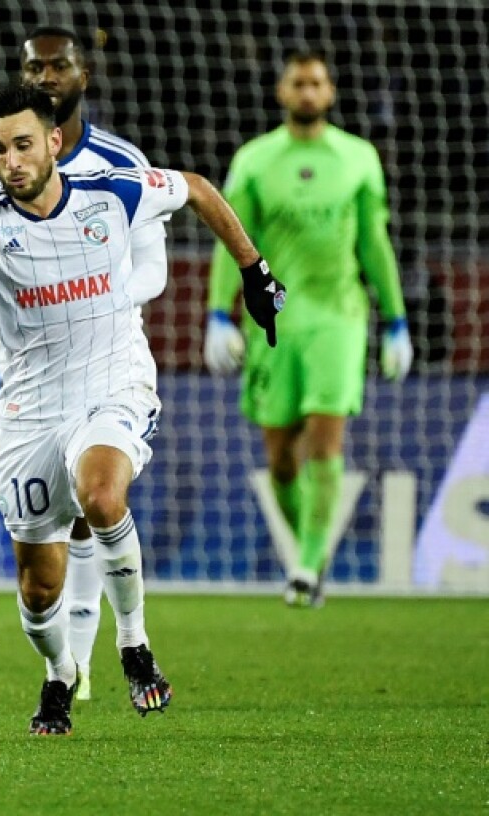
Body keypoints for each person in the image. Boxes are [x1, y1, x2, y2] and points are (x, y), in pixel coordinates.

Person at [0, 83, 285, 732]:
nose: (11, 161)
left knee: (102, 497)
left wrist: (253, 269)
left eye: (23, 144)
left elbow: (195, 187)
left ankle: (133, 641)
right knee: (38, 587)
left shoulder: (113, 190)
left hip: (112, 386)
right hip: (30, 412)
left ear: (53, 142)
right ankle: (59, 672)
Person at [0, 26, 170, 700]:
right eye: (35, 66)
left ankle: (100, 656)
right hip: (30, 375)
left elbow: (153, 269)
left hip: (103, 361)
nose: (47, 75)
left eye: (59, 65)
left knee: (96, 498)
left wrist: (86, 301)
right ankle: (65, 662)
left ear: (84, 72)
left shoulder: (118, 163)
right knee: (48, 545)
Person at [205, 51, 412, 608]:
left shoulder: (358, 158)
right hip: (273, 319)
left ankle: (306, 564)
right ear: (282, 91)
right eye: (298, 81)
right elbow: (233, 240)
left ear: (330, 91)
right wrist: (217, 313)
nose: (307, 90)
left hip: (339, 316)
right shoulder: (254, 159)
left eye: (316, 82)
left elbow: (374, 242)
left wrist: (395, 319)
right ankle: (308, 555)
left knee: (326, 430)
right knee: (278, 455)